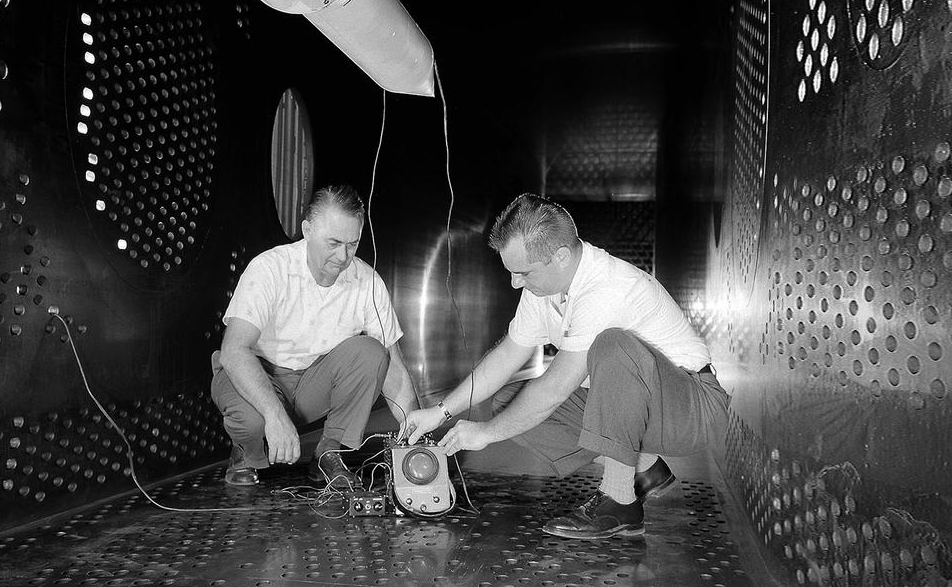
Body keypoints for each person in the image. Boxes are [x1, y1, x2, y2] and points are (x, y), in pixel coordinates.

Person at [401, 193, 729, 539]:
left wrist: (485, 434)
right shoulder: (541, 289)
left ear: (560, 257)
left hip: (693, 407)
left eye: (523, 272)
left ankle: (620, 502)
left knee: (612, 345)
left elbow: (556, 389)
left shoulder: (607, 288)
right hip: (646, 411)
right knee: (509, 404)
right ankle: (645, 469)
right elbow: (507, 356)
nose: (515, 283)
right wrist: (440, 412)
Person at [212, 184, 418, 487]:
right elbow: (233, 351)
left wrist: (414, 437)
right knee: (253, 422)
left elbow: (394, 368)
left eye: (352, 244)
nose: (343, 256)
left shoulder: (367, 282)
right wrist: (274, 414)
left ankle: (328, 454)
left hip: (311, 383)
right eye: (333, 242)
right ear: (307, 230)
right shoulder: (269, 269)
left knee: (372, 352)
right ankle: (246, 452)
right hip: (257, 374)